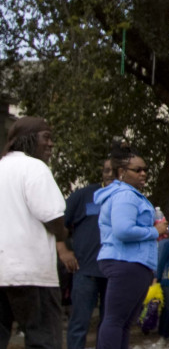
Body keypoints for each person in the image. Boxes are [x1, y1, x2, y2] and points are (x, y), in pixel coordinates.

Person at [0, 117, 76, 349]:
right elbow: (51, 216)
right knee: (44, 341)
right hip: (32, 274)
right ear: (28, 140)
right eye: (46, 137)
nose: (51, 144)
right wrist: (63, 235)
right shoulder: (34, 168)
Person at [95, 148, 168, 349]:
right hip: (126, 261)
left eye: (145, 170)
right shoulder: (125, 195)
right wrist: (154, 231)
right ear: (121, 172)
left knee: (124, 323)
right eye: (137, 170)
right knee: (116, 320)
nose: (143, 173)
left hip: (133, 262)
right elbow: (123, 230)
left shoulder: (129, 195)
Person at [63, 157, 114, 349]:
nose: (109, 174)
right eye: (105, 170)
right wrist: (64, 252)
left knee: (109, 324)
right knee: (79, 324)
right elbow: (60, 225)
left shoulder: (126, 198)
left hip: (114, 272)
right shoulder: (84, 195)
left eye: (113, 170)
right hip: (85, 270)